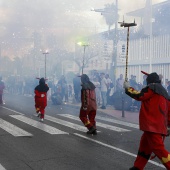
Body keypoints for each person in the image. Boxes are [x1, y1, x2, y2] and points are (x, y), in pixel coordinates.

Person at [124, 71, 170, 170]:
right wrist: (169, 126)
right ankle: (138, 166)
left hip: (152, 125)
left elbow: (140, 95)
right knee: (144, 147)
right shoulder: (165, 92)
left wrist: (128, 88)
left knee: (159, 149)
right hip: (158, 125)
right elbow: (169, 111)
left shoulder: (152, 88)